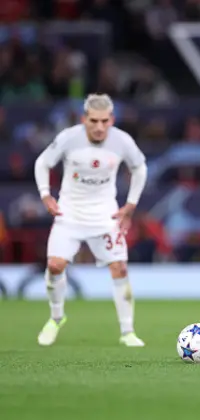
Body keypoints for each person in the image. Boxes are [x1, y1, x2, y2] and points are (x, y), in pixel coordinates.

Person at [34, 94, 148, 347]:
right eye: (93, 121)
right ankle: (56, 317)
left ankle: (128, 331)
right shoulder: (68, 138)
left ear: (112, 120)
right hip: (70, 213)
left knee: (120, 268)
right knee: (55, 266)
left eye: (104, 121)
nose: (99, 127)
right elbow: (42, 162)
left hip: (105, 215)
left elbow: (140, 167)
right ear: (84, 119)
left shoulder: (122, 141)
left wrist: (130, 205)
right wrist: (45, 195)